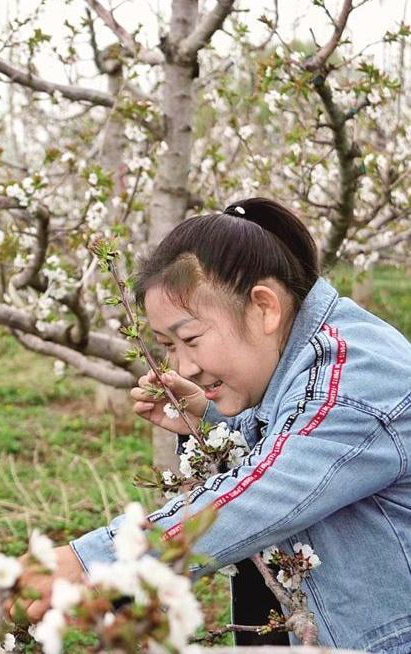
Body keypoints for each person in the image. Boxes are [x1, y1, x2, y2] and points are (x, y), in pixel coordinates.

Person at [20, 198, 411, 652]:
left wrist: (98, 560)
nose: (182, 365)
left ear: (264, 307)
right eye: (168, 345)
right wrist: (211, 420)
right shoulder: (308, 358)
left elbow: (268, 491)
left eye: (190, 339)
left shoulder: (354, 377)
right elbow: (300, 448)